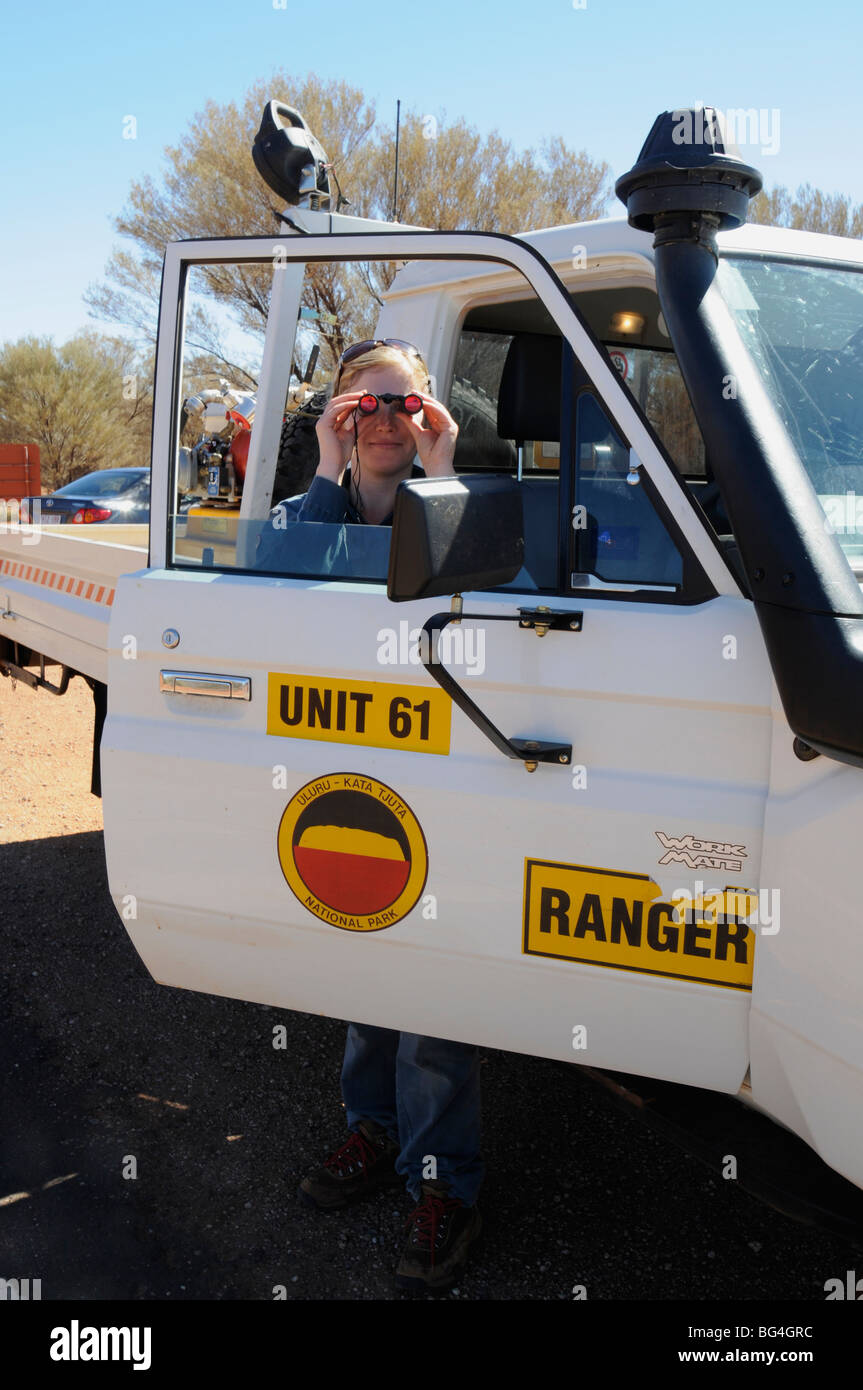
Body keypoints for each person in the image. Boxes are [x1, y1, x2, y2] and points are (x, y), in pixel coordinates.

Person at [268, 340, 483, 1292]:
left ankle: (441, 1184)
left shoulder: (466, 505)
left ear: (430, 410)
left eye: (402, 401)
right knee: (360, 970)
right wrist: (322, 464)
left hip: (446, 774)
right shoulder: (306, 508)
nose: (385, 418)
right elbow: (278, 599)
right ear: (338, 417)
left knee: (435, 1001)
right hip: (346, 771)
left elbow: (483, 611)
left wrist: (442, 479)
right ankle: (371, 1131)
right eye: (363, 404)